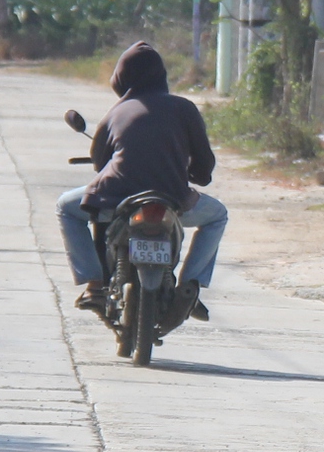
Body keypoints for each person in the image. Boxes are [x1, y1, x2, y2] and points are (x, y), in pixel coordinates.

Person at [60, 41, 227, 320]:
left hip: (117, 196)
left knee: (66, 207)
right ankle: (189, 285)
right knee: (217, 216)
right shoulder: (185, 109)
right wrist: (197, 175)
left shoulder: (116, 112)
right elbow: (204, 162)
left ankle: (94, 284)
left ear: (121, 78)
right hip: (172, 197)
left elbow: (100, 162)